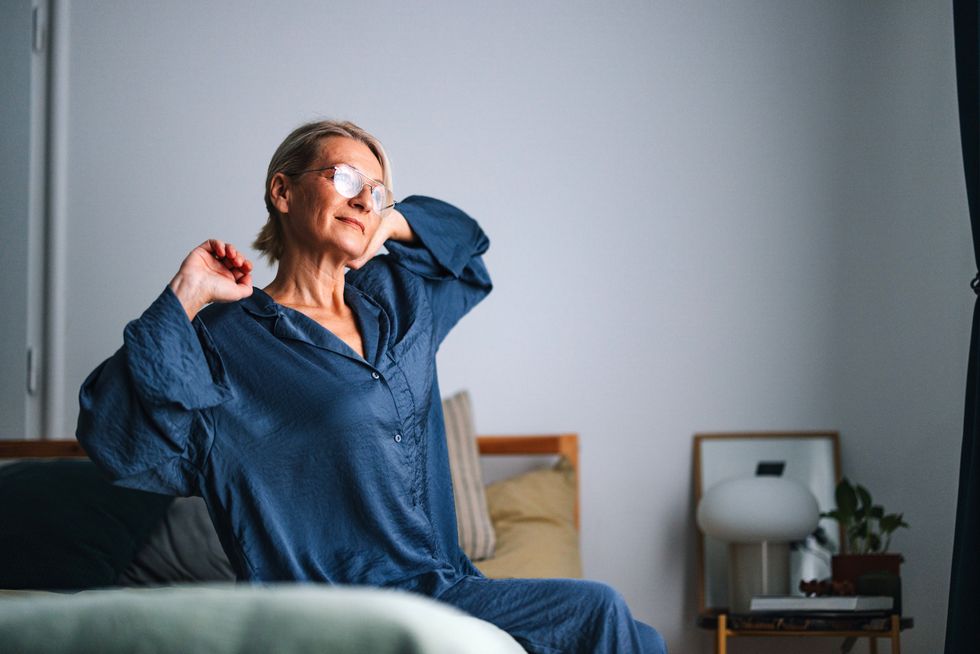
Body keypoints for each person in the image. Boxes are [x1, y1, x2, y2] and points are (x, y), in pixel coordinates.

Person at [77, 120, 667, 654]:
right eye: (346, 178)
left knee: (642, 638)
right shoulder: (223, 339)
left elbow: (468, 254)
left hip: (445, 583)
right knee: (601, 611)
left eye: (377, 189)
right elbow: (122, 444)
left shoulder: (395, 296)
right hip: (338, 603)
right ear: (282, 192)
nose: (364, 195)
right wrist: (185, 296)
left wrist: (386, 217)